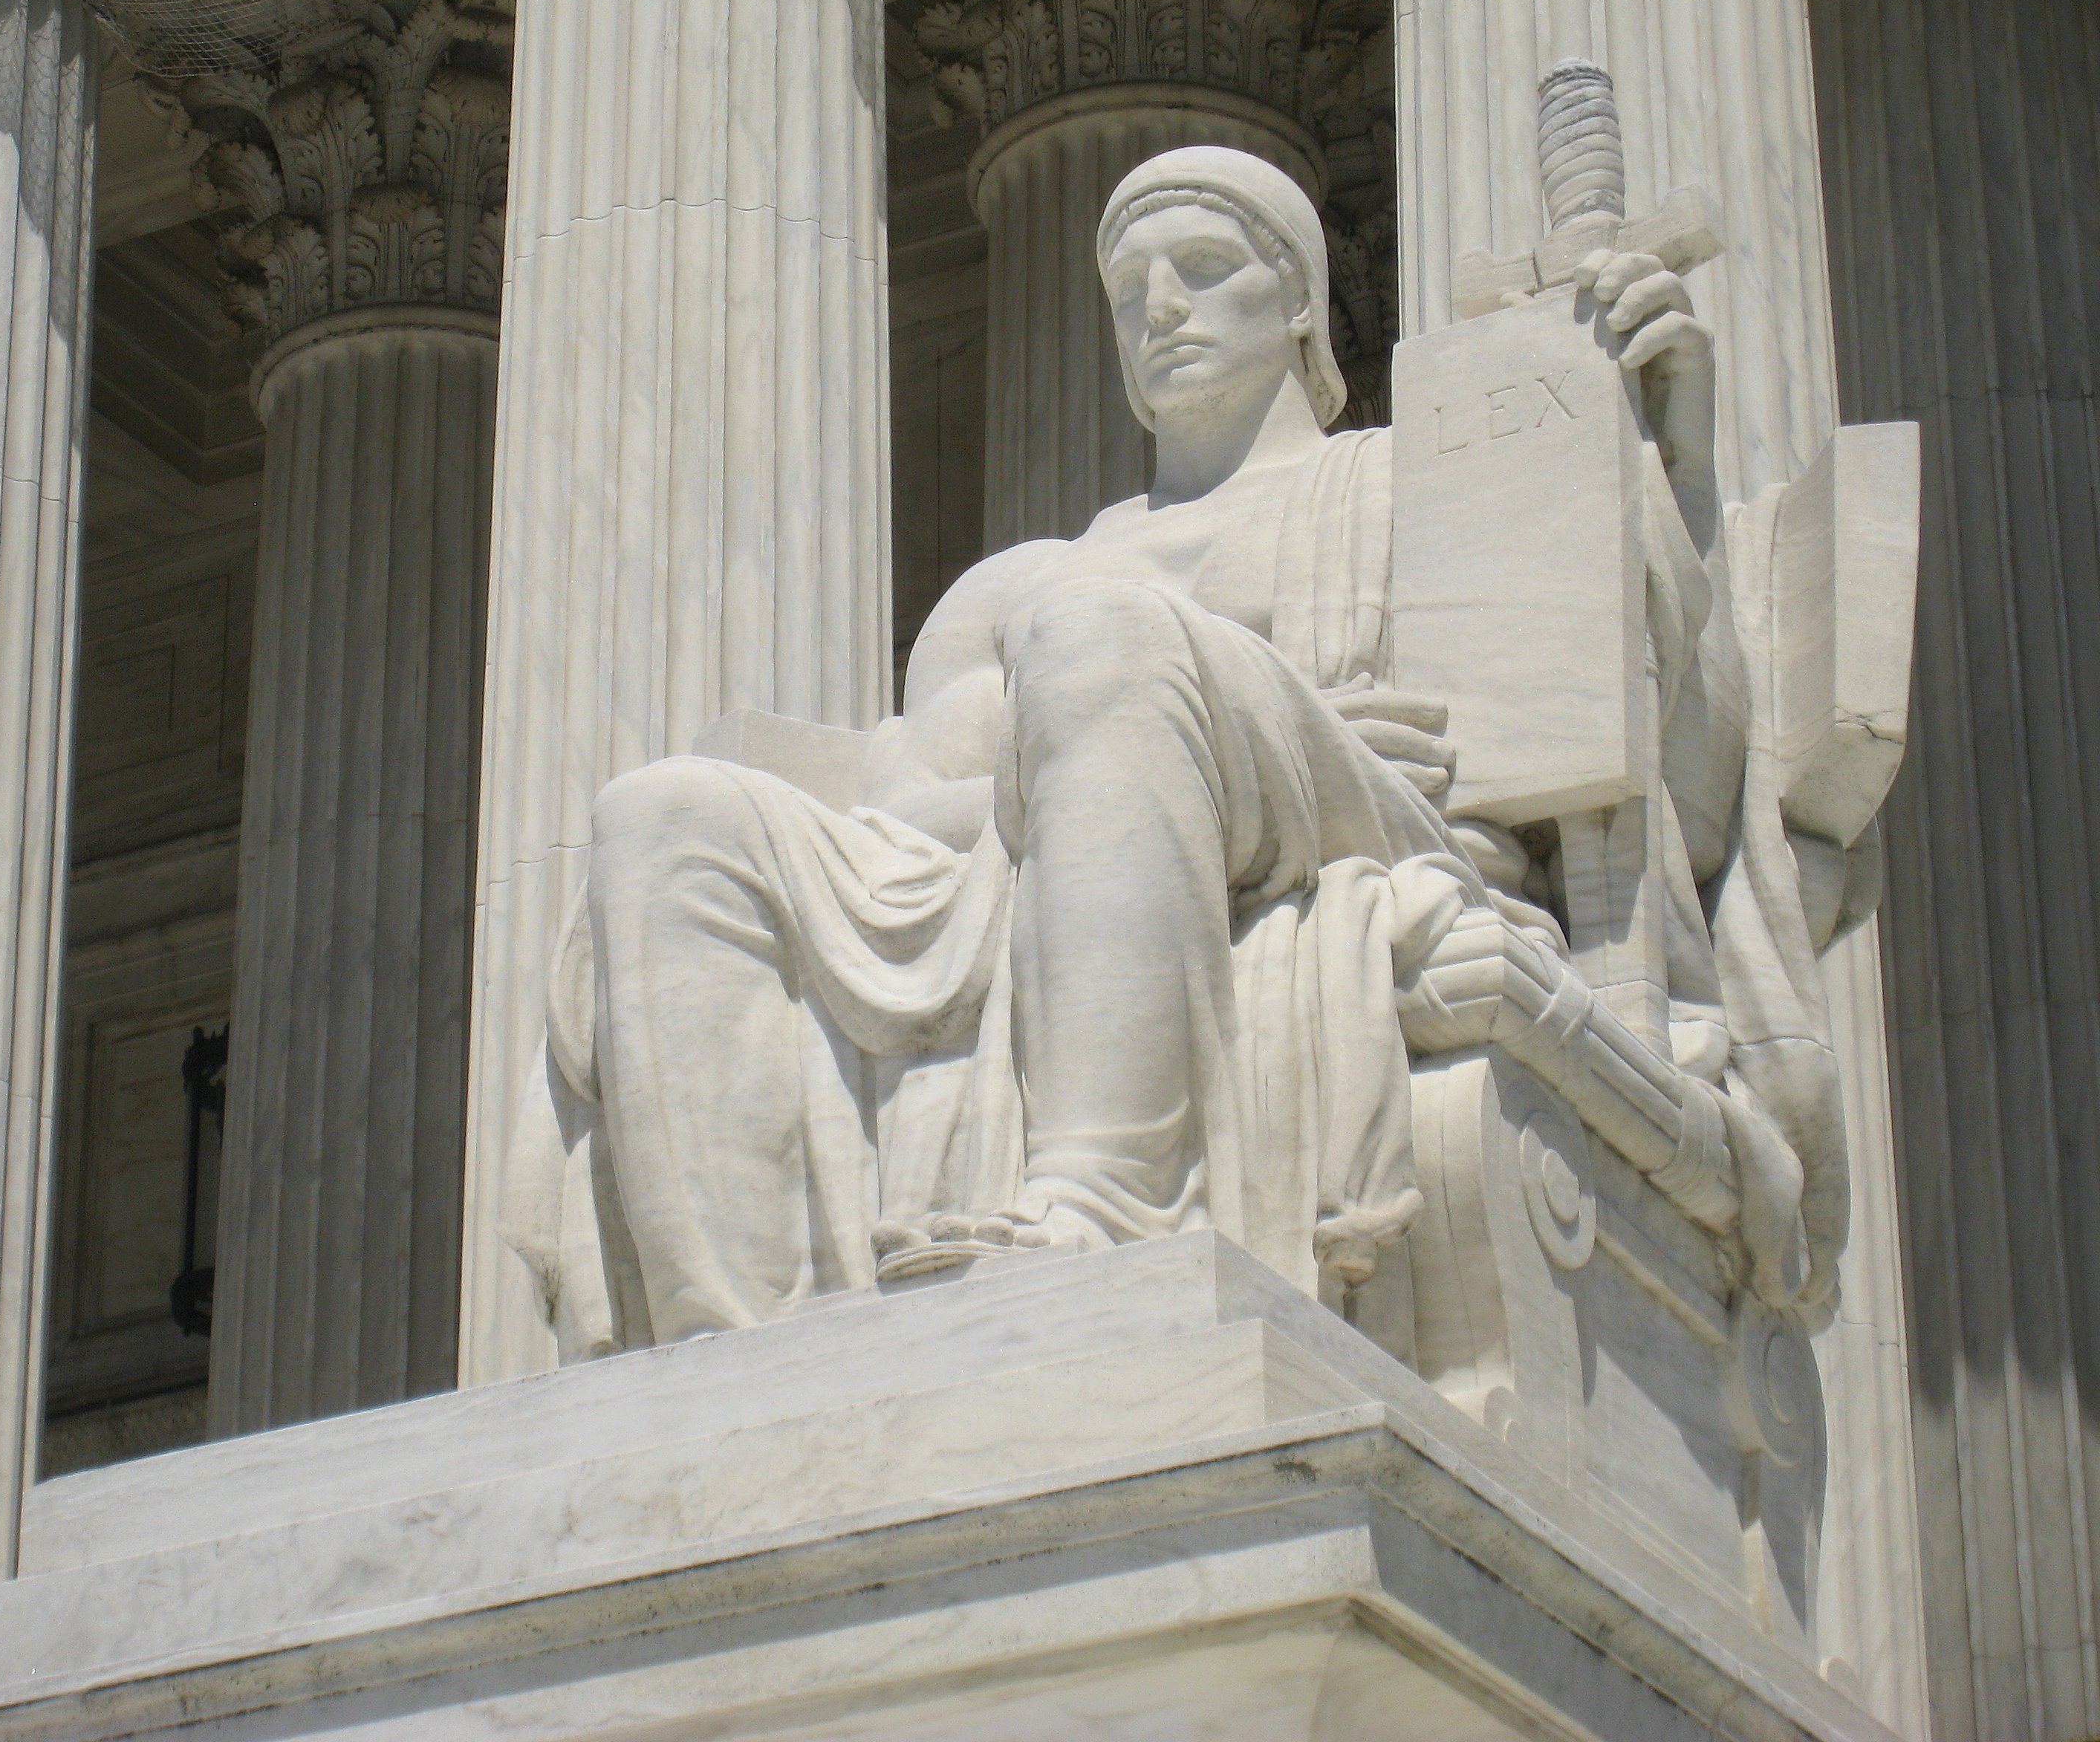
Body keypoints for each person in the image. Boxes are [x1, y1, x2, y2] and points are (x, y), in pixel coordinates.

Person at [501, 146, 1824, 1360]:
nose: (1161, 310)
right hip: (1029, 857)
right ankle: (732, 1345)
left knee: (1104, 641)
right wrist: (1154, 755)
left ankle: (1104, 1198)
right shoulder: (1034, 579)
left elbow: (1672, 791)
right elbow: (912, 803)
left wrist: (1674, 466)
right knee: (658, 815)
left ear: (1303, 302)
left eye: (1204, 271)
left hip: (1378, 820)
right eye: (1131, 289)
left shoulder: (1408, 483)